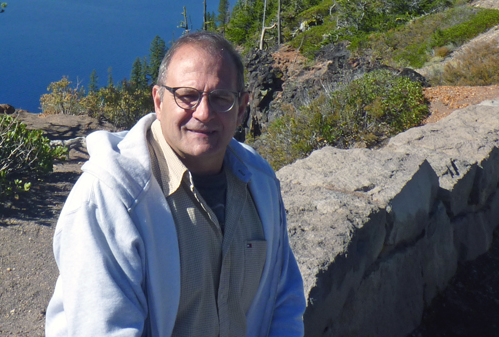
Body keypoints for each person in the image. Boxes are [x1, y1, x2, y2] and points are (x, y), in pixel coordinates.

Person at [46, 31, 305, 337]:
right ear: (158, 100)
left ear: (242, 108)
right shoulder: (110, 199)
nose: (204, 113)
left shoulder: (260, 185)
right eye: (187, 95)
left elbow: (283, 300)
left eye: (221, 98)